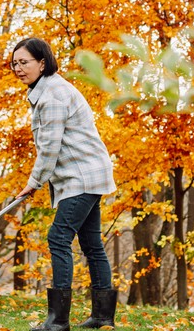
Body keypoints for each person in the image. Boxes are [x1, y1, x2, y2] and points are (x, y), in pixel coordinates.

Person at [12, 37, 118, 330]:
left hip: (82, 176)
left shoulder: (52, 97)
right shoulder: (47, 91)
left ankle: (58, 321)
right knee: (91, 244)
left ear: (42, 63)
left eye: (25, 62)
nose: (18, 68)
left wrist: (33, 183)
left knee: (58, 237)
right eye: (15, 63)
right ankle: (102, 317)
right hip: (85, 175)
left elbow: (49, 149)